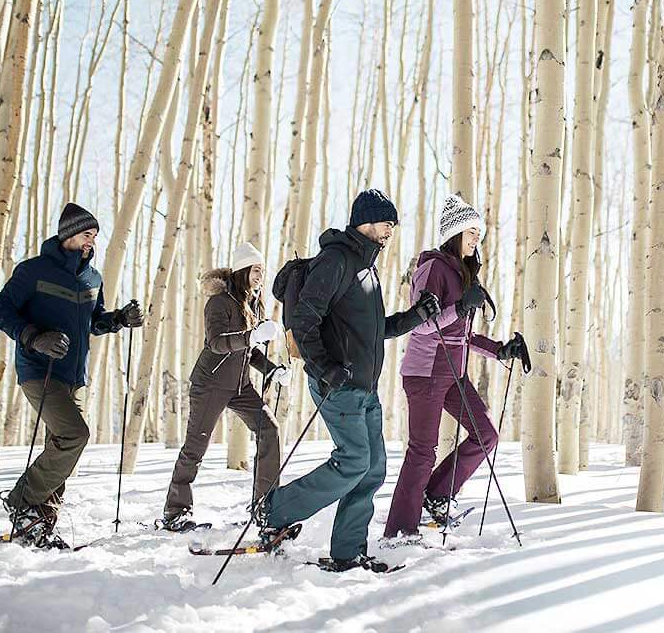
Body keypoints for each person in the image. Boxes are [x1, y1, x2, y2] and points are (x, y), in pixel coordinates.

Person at [257, 188, 440, 572]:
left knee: (372, 468)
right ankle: (273, 511)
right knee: (354, 461)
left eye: (393, 224)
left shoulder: (367, 269)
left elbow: (374, 330)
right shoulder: (336, 261)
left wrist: (417, 315)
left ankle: (348, 551)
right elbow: (305, 320)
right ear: (366, 221)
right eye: (386, 222)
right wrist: (325, 367)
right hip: (337, 385)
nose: (391, 230)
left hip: (364, 389)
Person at [0, 203, 144, 548]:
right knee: (75, 435)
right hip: (39, 369)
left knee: (60, 445)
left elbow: (94, 320)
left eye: (94, 236)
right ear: (69, 234)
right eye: (87, 234)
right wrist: (34, 337)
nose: (92, 241)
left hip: (75, 375)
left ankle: (40, 522)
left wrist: (120, 318)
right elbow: (0, 311)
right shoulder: (34, 271)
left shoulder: (92, 277)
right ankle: (22, 502)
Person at [382, 194, 527, 542]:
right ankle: (401, 529)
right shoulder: (432, 268)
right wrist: (460, 307)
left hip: (453, 374)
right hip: (426, 372)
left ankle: (437, 495)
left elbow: (462, 334)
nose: (477, 238)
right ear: (454, 232)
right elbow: (421, 325)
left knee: (486, 434)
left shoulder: (462, 273)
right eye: (471, 231)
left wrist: (501, 350)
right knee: (423, 450)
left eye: (479, 232)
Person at [160, 242, 288, 532]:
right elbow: (217, 343)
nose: (260, 275)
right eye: (256, 270)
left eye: (263, 271)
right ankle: (175, 511)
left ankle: (265, 505)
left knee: (270, 430)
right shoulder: (219, 301)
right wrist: (252, 335)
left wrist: (273, 370)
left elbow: (249, 350)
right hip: (211, 384)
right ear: (242, 269)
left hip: (240, 385)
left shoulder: (254, 302)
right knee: (196, 446)